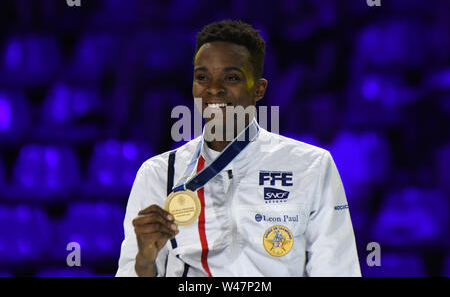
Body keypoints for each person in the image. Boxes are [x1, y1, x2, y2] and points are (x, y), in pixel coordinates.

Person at [116, 20, 361, 277]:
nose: (213, 88)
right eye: (202, 77)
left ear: (259, 89)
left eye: (231, 77)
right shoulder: (159, 173)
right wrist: (145, 262)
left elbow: (338, 270)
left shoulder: (311, 166)